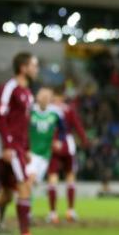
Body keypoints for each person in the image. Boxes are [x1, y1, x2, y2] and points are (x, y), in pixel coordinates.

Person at [0, 52, 39, 235]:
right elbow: (1, 117)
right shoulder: (9, 87)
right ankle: (25, 232)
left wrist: (27, 148)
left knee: (5, 195)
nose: (36, 70)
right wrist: (6, 146)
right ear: (23, 68)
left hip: (19, 147)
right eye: (33, 65)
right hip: (10, 146)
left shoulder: (28, 93)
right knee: (24, 186)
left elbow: (24, 123)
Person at [46, 87, 88, 224]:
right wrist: (84, 140)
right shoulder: (68, 109)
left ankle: (53, 213)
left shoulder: (48, 110)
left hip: (53, 146)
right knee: (69, 176)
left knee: (53, 177)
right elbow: (78, 126)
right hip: (67, 146)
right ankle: (70, 211)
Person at [26, 87, 64, 218]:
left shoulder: (55, 113)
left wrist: (59, 140)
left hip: (45, 155)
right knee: (29, 181)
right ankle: (27, 212)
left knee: (34, 183)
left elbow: (63, 129)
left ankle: (26, 207)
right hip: (31, 153)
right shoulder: (30, 111)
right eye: (43, 96)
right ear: (38, 97)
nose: (46, 99)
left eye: (48, 97)